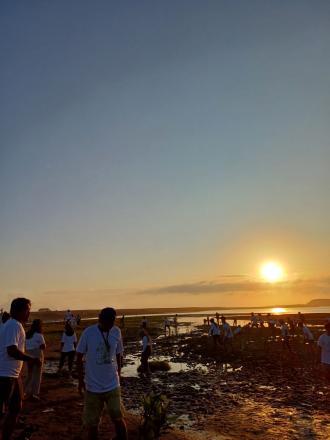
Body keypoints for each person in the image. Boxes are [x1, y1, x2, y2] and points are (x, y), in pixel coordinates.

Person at [76, 307, 127, 440]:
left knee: (118, 417)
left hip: (112, 385)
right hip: (92, 387)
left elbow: (119, 354)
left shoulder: (116, 331)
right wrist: (80, 381)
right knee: (92, 424)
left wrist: (119, 373)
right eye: (106, 322)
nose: (109, 326)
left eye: (112, 323)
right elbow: (79, 356)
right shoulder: (88, 332)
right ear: (100, 319)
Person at [0, 298, 41, 440]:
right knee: (12, 410)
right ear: (19, 310)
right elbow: (11, 350)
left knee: (14, 408)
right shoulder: (14, 325)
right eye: (27, 310)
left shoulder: (10, 324)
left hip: (10, 374)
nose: (29, 313)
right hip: (6, 375)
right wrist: (32, 359)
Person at [24, 319, 46, 400]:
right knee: (37, 374)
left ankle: (23, 390)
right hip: (37, 353)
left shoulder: (27, 334)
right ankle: (33, 393)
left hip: (28, 353)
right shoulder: (39, 335)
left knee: (30, 374)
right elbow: (43, 346)